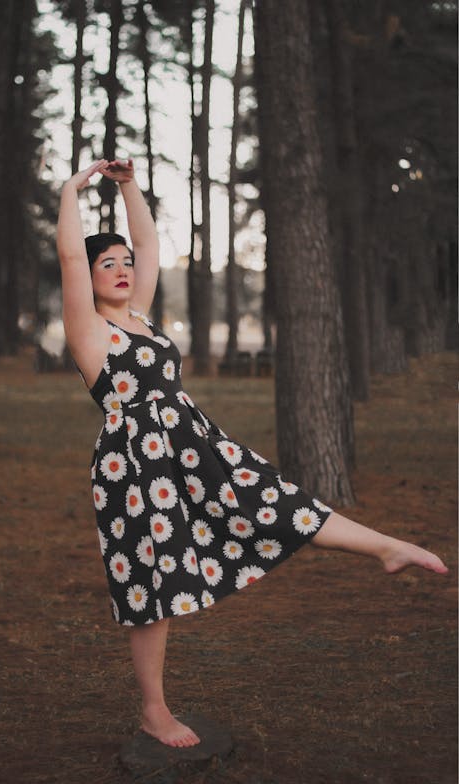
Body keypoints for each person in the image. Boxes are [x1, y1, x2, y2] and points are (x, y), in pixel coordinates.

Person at [56, 158, 448, 749]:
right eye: (106, 263)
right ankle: (154, 711)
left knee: (274, 500)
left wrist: (130, 187)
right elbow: (67, 256)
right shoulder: (88, 329)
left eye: (124, 263)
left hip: (193, 444)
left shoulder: (138, 314)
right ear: (86, 277)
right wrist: (71, 190)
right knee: (151, 587)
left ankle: (386, 547)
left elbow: (149, 242)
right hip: (134, 465)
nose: (122, 268)